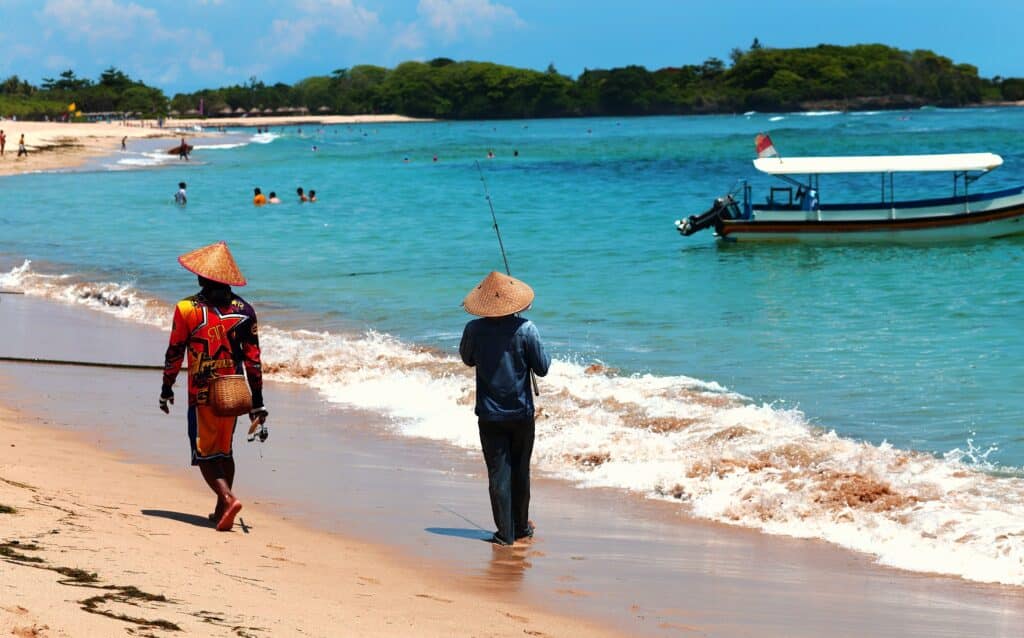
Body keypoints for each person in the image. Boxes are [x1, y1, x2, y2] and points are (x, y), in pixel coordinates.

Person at [160, 242, 267, 531]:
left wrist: (166, 386)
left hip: (202, 394)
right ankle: (221, 511)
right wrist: (258, 402)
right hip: (233, 393)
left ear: (200, 277)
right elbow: (254, 360)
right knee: (225, 450)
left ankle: (228, 498)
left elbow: (175, 352)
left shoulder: (186, 309)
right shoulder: (246, 310)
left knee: (204, 454)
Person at [459, 271, 550, 546]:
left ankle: (505, 533)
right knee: (520, 470)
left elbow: (468, 359)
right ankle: (521, 527)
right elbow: (542, 367)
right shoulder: (526, 329)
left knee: (498, 471)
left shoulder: (473, 330)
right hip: (521, 413)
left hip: (488, 413)